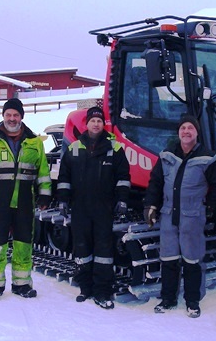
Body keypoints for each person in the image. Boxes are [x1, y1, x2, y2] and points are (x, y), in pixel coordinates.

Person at [143, 115, 216, 318]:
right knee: (168, 258)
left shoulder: (209, 158)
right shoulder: (167, 155)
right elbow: (155, 182)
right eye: (183, 128)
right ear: (178, 132)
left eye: (190, 128)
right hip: (168, 214)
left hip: (192, 216)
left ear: (197, 132)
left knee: (192, 260)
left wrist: (207, 206)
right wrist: (151, 205)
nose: (186, 131)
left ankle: (192, 301)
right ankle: (168, 299)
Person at [0, 98, 52, 302]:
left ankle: (21, 284)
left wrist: (44, 194)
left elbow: (43, 172)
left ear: (21, 117)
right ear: (3, 116)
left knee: (24, 244)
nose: (12, 118)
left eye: (16, 115)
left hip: (24, 202)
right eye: (8, 114)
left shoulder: (34, 142)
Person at [56, 106, 130, 310]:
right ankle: (85, 287)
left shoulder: (114, 148)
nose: (96, 124)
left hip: (104, 208)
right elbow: (64, 177)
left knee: (104, 251)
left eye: (99, 121)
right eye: (92, 121)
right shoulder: (74, 148)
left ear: (103, 124)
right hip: (80, 207)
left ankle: (102, 291)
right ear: (86, 124)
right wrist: (63, 200)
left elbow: (123, 177)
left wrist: (122, 199)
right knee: (81, 249)